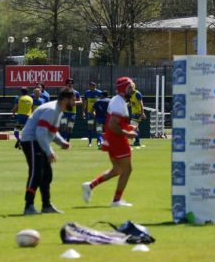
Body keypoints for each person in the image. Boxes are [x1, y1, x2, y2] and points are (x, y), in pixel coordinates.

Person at [82, 77, 139, 207]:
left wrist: (128, 128)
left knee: (117, 169)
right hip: (117, 140)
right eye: (130, 87)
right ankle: (116, 200)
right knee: (127, 170)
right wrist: (128, 133)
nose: (132, 90)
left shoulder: (118, 101)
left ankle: (90, 186)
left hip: (112, 139)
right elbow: (113, 125)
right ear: (124, 89)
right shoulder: (119, 102)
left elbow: (116, 124)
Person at [21, 87, 75, 215]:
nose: (74, 103)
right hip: (31, 141)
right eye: (73, 100)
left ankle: (46, 205)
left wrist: (62, 142)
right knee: (36, 173)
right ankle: (28, 206)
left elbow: (51, 132)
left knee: (47, 175)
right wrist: (49, 151)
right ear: (65, 99)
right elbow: (40, 133)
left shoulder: (58, 110)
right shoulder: (51, 110)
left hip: (38, 141)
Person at [83, 82, 106, 147]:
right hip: (89, 112)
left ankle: (99, 141)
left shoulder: (99, 93)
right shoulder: (87, 93)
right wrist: (83, 112)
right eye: (90, 86)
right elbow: (85, 103)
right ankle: (90, 142)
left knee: (99, 127)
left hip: (98, 113)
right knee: (90, 127)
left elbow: (102, 102)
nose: (90, 87)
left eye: (92, 86)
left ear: (94, 86)